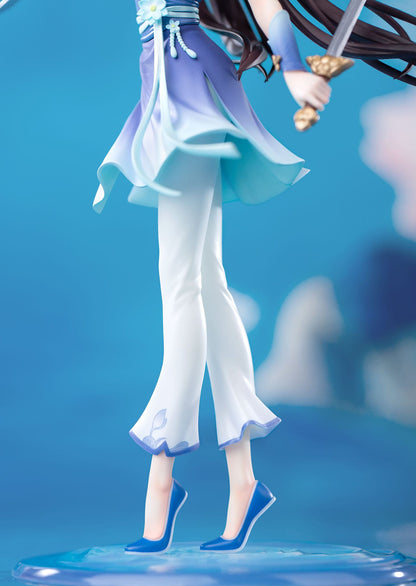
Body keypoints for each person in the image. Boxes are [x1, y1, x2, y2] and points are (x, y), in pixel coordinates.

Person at [91, 0, 416, 554]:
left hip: (193, 104)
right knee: (207, 289)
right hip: (165, 103)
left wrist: (294, 71)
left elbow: (267, 9)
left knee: (183, 286)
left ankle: (163, 475)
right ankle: (243, 483)